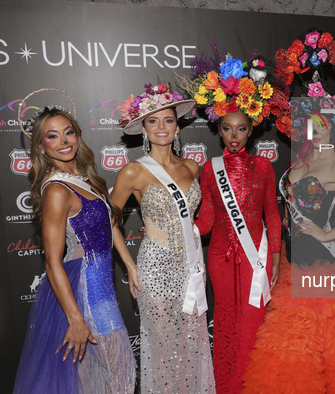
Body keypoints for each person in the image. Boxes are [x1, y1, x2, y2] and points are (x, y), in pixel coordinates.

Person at [13, 91, 136, 393]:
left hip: (101, 285)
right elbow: (52, 261)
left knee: (102, 377)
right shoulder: (56, 190)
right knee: (118, 372)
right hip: (86, 291)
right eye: (52, 136)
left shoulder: (87, 179)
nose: (64, 141)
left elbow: (111, 226)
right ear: (41, 147)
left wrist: (131, 267)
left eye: (69, 132)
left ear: (78, 135)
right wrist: (75, 319)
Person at [242, 111, 335, 393]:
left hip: (320, 263)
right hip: (293, 263)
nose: (315, 131)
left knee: (320, 346)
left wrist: (326, 234)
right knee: (290, 344)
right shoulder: (301, 160)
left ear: (334, 132)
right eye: (310, 125)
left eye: (322, 126)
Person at [111, 81, 215, 393]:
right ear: (143, 129)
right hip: (154, 269)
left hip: (191, 268)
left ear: (178, 128)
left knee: (192, 345)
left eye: (168, 120)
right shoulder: (133, 171)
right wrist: (130, 266)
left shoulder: (192, 167)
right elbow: (110, 221)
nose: (161, 127)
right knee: (162, 347)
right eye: (153, 121)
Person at [189, 52, 283, 393]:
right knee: (226, 323)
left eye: (241, 128)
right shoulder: (210, 169)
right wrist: (179, 230)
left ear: (251, 129)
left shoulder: (263, 167)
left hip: (255, 257)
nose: (234, 135)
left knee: (254, 323)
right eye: (227, 128)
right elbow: (208, 219)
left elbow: (272, 214)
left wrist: (274, 257)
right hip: (220, 259)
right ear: (218, 128)